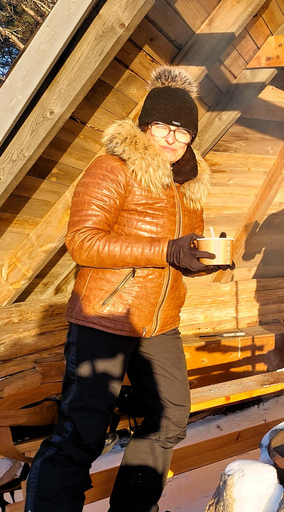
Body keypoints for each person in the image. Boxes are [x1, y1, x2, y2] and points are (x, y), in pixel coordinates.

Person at [25, 66, 225, 512]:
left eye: (183, 131)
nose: (173, 139)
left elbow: (178, 251)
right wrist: (166, 251)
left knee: (170, 416)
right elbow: (82, 241)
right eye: (163, 127)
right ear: (145, 126)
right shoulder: (111, 168)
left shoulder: (188, 184)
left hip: (159, 323)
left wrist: (197, 262)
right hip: (105, 316)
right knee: (82, 431)